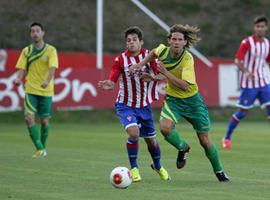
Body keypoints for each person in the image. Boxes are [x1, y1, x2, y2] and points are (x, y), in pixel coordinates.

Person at [129, 24, 229, 182]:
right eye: (173, 39)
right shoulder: (163, 50)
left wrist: (164, 73)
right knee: (164, 128)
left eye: (179, 39)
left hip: (193, 102)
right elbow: (154, 52)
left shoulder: (187, 59)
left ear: (185, 42)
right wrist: (140, 65)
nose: (176, 42)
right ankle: (183, 147)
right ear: (169, 41)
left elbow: (184, 85)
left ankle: (219, 172)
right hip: (173, 100)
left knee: (204, 140)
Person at [98, 26, 170, 182]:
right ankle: (134, 169)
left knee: (151, 140)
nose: (131, 42)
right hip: (125, 105)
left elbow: (161, 76)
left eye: (134, 39)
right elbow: (113, 80)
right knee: (134, 133)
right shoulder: (120, 60)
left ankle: (157, 165)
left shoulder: (149, 57)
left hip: (144, 106)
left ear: (141, 42)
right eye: (128, 40)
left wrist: (151, 77)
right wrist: (109, 84)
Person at [222, 15, 270, 150]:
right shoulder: (247, 42)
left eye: (262, 26)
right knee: (242, 112)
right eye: (257, 26)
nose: (260, 28)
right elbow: (237, 60)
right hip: (249, 84)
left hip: (264, 81)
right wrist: (247, 71)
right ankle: (226, 138)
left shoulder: (267, 43)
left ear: (266, 27)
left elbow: (268, 61)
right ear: (254, 28)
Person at [14, 22, 58, 158]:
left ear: (43, 33)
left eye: (38, 31)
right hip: (31, 89)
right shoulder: (26, 51)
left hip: (46, 91)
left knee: (44, 121)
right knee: (28, 118)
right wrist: (18, 78)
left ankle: (42, 148)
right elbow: (22, 68)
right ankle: (39, 148)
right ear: (30, 34)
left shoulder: (51, 50)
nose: (35, 33)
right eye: (33, 31)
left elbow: (52, 68)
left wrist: (47, 80)